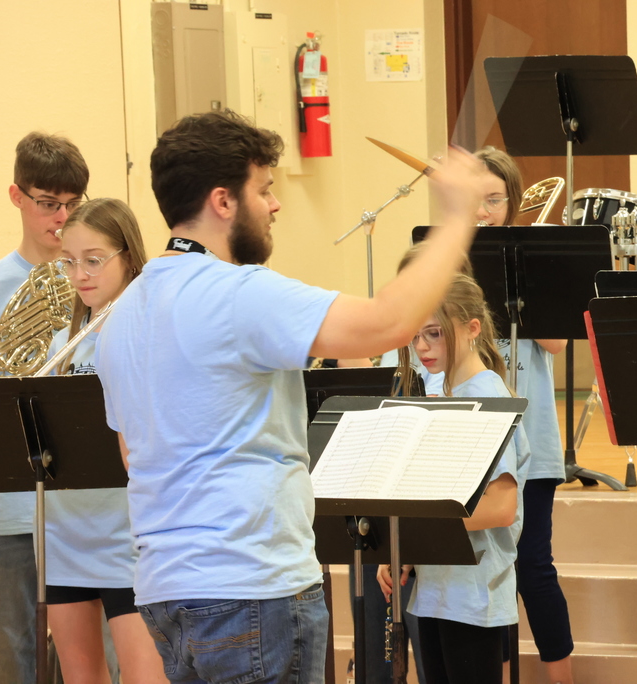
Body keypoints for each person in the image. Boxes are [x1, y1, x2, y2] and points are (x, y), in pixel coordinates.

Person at [94, 110, 485, 684]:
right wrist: (456, 219)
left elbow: (131, 453)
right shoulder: (236, 293)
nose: (275, 205)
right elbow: (387, 324)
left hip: (166, 590)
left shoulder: (122, 315)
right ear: (223, 201)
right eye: (265, 189)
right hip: (251, 585)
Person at [378, 274, 531, 684]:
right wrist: (404, 546)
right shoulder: (442, 394)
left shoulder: (490, 397)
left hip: (474, 594)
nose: (422, 347)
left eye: (434, 333)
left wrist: (412, 527)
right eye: (415, 336)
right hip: (435, 593)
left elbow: (500, 507)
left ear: (472, 328)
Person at [0, 131, 88, 684]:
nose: (62, 216)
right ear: (17, 197)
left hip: (90, 504)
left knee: (99, 662)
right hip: (7, 510)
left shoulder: (99, 286)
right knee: (10, 656)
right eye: (49, 203)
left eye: (74, 204)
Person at [46, 198, 167, 683]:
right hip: (65, 534)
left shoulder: (150, 331)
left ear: (129, 257)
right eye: (69, 261)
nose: (80, 274)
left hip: (128, 536)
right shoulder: (62, 344)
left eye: (94, 260)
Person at [474, 146, 574, 684]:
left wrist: (520, 283)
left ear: (513, 204)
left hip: (529, 441)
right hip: (470, 441)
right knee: (484, 571)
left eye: (495, 200)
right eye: (475, 200)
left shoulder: (532, 259)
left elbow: (556, 343)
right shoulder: (447, 260)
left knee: (533, 566)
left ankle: (562, 677)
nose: (484, 210)